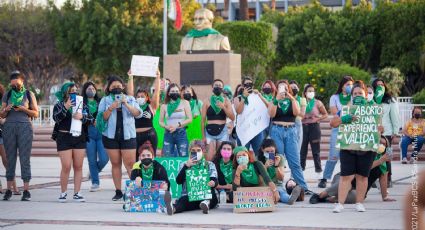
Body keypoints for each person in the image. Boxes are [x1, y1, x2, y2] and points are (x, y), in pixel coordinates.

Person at [330, 80, 383, 213]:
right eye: (355, 93)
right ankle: (340, 204)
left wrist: (380, 129)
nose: (358, 95)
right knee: (345, 176)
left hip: (367, 147)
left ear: (365, 95)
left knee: (363, 176)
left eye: (360, 93)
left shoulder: (373, 110)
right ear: (352, 95)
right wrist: (344, 118)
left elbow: (379, 128)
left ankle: (359, 203)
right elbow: (332, 123)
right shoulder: (345, 109)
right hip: (348, 146)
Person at [310, 136, 396, 205]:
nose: (381, 145)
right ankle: (319, 196)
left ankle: (330, 199)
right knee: (341, 186)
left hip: (358, 189)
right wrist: (380, 160)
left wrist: (385, 197)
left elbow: (383, 180)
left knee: (356, 198)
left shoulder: (385, 163)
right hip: (344, 179)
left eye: (384, 144)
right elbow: (363, 168)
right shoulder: (367, 154)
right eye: (379, 143)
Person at [98, 76, 143, 201]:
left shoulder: (130, 99)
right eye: (113, 87)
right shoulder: (105, 100)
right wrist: (111, 107)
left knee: (130, 164)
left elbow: (138, 114)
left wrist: (126, 104)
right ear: (109, 88)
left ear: (123, 87)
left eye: (118, 86)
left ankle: (135, 191)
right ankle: (118, 191)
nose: (116, 89)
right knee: (116, 164)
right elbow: (102, 118)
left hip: (128, 136)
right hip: (111, 137)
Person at [0, 71, 38, 201]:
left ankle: (26, 190)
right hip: (9, 127)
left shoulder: (29, 94)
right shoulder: (7, 94)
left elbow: (36, 113)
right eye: (12, 83)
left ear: (22, 81)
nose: (14, 85)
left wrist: (23, 109)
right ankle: (9, 190)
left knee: (24, 159)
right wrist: (6, 109)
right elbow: (2, 114)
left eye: (16, 83)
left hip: (25, 127)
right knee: (10, 159)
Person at [268, 80, 310, 193]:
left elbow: (297, 113)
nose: (283, 89)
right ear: (277, 89)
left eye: (285, 87)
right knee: (276, 159)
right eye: (280, 87)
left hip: (291, 131)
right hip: (276, 130)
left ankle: (303, 187)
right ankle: (276, 186)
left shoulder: (293, 100)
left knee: (295, 161)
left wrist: (291, 97)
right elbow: (271, 114)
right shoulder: (273, 100)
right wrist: (277, 99)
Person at [53, 82, 91, 202]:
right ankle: (63, 193)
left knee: (78, 166)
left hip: (79, 137)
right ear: (65, 93)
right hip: (64, 137)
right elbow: (56, 118)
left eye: (75, 90)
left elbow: (90, 119)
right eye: (71, 91)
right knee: (66, 166)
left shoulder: (83, 104)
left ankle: (77, 193)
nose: (74, 93)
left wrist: (82, 117)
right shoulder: (59, 105)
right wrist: (66, 107)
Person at [165, 140, 218, 215]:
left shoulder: (209, 164)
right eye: (193, 150)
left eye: (198, 150)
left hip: (206, 195)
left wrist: (213, 183)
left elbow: (214, 179)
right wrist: (186, 167)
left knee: (211, 197)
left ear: (203, 151)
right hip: (189, 195)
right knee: (183, 201)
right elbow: (178, 181)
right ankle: (173, 208)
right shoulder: (184, 164)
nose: (196, 152)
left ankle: (205, 204)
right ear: (189, 152)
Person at [318, 76, 354, 188]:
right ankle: (325, 178)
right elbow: (335, 113)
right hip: (338, 128)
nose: (350, 87)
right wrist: (348, 109)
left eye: (351, 84)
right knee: (333, 155)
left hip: (351, 128)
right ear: (342, 86)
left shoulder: (355, 96)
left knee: (351, 155)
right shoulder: (334, 97)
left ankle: (350, 178)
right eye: (347, 84)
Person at [372, 78, 400, 188]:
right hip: (373, 132)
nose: (380, 87)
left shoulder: (390, 100)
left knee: (386, 156)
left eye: (382, 85)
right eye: (377, 85)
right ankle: (373, 178)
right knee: (373, 156)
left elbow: (395, 116)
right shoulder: (371, 99)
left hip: (387, 132)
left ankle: (388, 178)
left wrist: (395, 131)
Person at [82, 81, 109, 192]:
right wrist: (91, 120)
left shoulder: (100, 101)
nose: (91, 90)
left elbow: (105, 114)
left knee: (104, 158)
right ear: (85, 90)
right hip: (88, 133)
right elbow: (81, 117)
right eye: (89, 89)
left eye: (93, 89)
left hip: (101, 132)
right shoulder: (82, 102)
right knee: (91, 160)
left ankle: (94, 172)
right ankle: (95, 183)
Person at [258, 139, 302, 205]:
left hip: (277, 185)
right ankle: (273, 197)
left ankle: (290, 198)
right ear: (262, 149)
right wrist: (265, 166)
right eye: (267, 151)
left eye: (272, 151)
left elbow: (281, 178)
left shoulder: (280, 157)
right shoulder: (258, 159)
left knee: (281, 193)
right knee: (268, 193)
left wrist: (276, 166)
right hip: (264, 185)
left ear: (275, 149)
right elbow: (259, 179)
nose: (270, 153)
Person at [201, 79, 235, 160]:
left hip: (223, 130)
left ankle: (219, 172)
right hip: (209, 131)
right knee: (209, 156)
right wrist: (203, 137)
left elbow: (232, 117)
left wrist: (223, 107)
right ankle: (210, 171)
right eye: (216, 85)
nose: (218, 87)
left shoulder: (226, 101)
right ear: (212, 87)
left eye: (220, 86)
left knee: (222, 156)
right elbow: (202, 121)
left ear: (222, 88)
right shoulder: (206, 101)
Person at [300, 84, 328, 177]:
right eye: (309, 91)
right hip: (303, 127)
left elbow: (325, 114)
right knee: (302, 150)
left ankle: (318, 171)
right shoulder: (301, 101)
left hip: (314, 127)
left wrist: (318, 119)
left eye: (312, 91)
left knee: (316, 151)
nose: (311, 93)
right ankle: (301, 170)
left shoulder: (317, 102)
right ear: (305, 93)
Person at [233, 77, 266, 153]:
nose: (248, 86)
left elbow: (267, 107)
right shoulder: (237, 98)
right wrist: (244, 97)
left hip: (256, 129)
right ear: (242, 86)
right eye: (246, 84)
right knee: (243, 153)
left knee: (260, 153)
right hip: (243, 130)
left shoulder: (256, 97)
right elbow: (239, 111)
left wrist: (260, 95)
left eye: (250, 84)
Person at [159, 83, 192, 157]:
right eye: (173, 91)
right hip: (168, 133)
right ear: (168, 93)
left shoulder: (185, 103)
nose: (175, 93)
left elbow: (190, 119)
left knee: (183, 156)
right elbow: (160, 122)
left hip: (181, 133)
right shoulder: (164, 106)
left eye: (177, 91)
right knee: (168, 156)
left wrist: (177, 125)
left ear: (180, 92)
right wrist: (166, 126)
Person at [0, 84, 19, 195]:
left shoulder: (5, 100)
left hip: (2, 133)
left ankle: (14, 186)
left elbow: (6, 115)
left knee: (7, 161)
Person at [289, 80, 307, 154]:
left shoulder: (302, 99)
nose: (293, 88)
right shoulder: (285, 99)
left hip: (297, 123)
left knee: (297, 146)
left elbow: (302, 114)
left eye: (295, 87)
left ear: (298, 89)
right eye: (291, 87)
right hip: (287, 123)